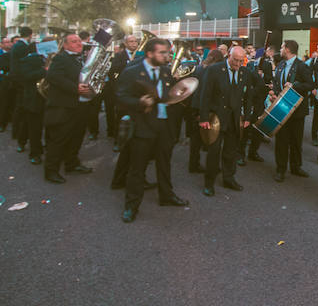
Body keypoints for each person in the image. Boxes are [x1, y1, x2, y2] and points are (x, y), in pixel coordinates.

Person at [116, 38, 189, 222]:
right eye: (162, 53)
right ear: (149, 53)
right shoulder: (132, 72)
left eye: (167, 52)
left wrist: (181, 91)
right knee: (137, 168)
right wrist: (139, 103)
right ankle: (131, 206)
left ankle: (166, 195)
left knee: (164, 164)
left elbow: (168, 94)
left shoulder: (165, 71)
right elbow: (120, 97)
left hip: (164, 126)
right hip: (143, 127)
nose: (167, 56)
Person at [198, 46, 252, 196]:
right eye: (235, 60)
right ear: (229, 55)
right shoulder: (214, 70)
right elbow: (205, 95)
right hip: (216, 118)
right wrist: (203, 118)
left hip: (234, 119)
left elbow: (248, 96)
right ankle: (209, 183)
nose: (237, 64)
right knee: (213, 152)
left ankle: (229, 178)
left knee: (230, 151)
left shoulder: (244, 72)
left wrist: (247, 117)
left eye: (241, 61)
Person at [42, 33, 94, 184]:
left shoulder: (82, 58)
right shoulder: (60, 58)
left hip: (79, 106)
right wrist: (75, 88)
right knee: (59, 140)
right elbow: (53, 77)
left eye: (79, 41)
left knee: (76, 137)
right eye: (73, 42)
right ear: (65, 45)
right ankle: (51, 171)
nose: (78, 43)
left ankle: (72, 164)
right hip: (63, 107)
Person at [271, 40, 313, 182]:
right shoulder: (281, 65)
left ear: (288, 49)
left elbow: (310, 85)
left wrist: (294, 85)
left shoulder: (302, 66)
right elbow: (277, 84)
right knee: (281, 141)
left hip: (297, 111)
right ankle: (280, 169)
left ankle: (296, 167)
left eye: (282, 47)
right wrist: (274, 94)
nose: (280, 50)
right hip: (281, 108)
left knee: (296, 141)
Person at [107, 33, 140, 151]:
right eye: (131, 41)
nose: (134, 44)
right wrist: (128, 64)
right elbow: (113, 71)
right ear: (126, 43)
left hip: (137, 91)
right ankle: (118, 141)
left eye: (135, 41)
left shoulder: (141, 56)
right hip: (123, 91)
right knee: (120, 117)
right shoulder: (119, 55)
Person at [19, 42, 48, 165]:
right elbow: (26, 76)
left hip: (48, 98)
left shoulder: (52, 59)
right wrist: (45, 71)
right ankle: (35, 153)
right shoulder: (28, 60)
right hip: (34, 98)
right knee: (34, 128)